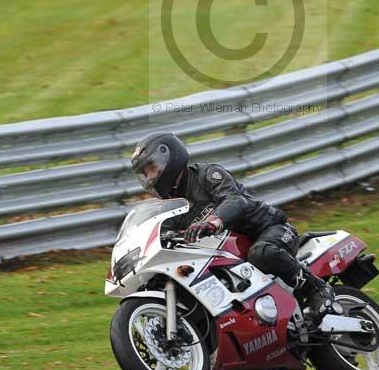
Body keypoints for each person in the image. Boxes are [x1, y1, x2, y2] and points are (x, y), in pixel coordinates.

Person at [131, 131, 335, 323]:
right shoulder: (173, 207)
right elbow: (163, 232)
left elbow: (235, 200)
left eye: (152, 168)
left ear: (169, 157)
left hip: (269, 230)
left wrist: (213, 221)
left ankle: (317, 289)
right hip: (230, 256)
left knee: (262, 252)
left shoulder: (206, 174)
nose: (150, 177)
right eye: (145, 173)